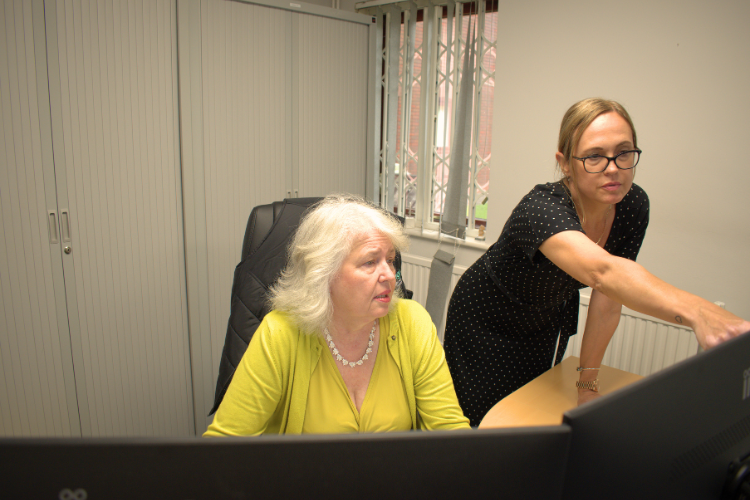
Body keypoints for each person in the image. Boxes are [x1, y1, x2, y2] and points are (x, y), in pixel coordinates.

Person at [443, 98, 750, 427]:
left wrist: (587, 385)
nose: (613, 167)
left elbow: (609, 297)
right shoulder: (541, 208)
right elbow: (604, 273)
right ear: (565, 163)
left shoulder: (631, 204)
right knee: (481, 421)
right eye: (594, 156)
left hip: (544, 317)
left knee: (530, 411)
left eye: (624, 152)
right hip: (487, 319)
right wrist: (697, 310)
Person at [205, 194, 470, 435]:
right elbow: (224, 446)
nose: (390, 275)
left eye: (389, 260)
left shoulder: (412, 322)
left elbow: (450, 431)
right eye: (370, 262)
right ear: (324, 274)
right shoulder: (280, 334)